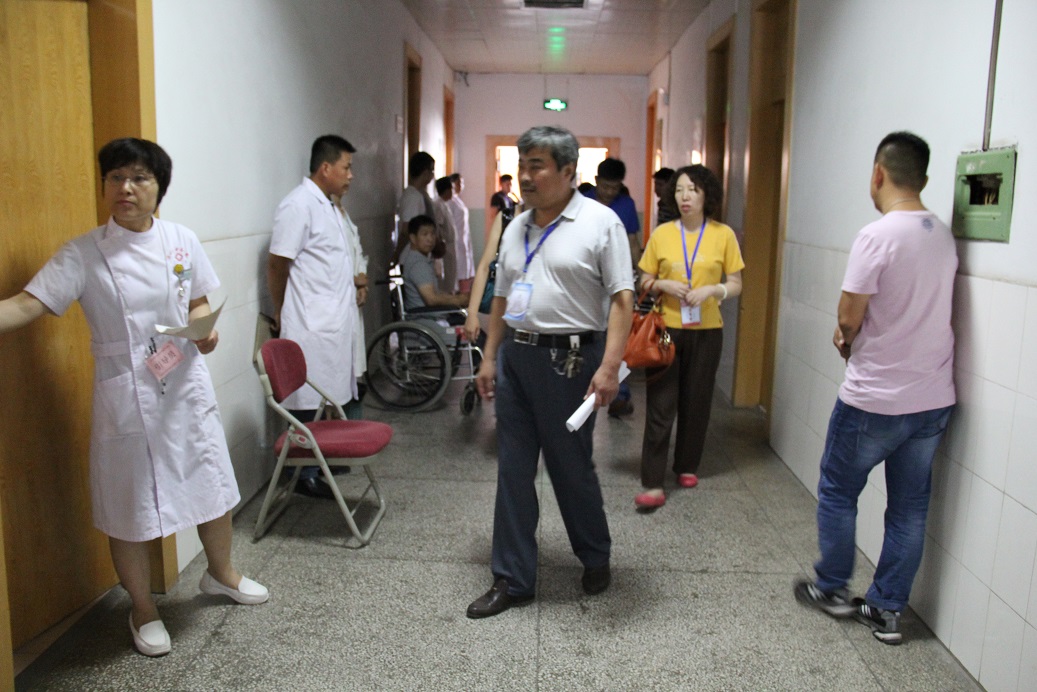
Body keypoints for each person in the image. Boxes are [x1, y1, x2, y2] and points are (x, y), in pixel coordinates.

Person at [0, 138, 268, 657]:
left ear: (158, 188)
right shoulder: (83, 253)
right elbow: (26, 305)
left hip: (183, 384)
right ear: (104, 185)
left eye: (139, 178)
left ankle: (221, 573)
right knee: (129, 502)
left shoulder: (181, 240)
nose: (126, 187)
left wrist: (204, 330)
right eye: (116, 177)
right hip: (126, 391)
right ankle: (142, 608)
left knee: (210, 480)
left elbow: (198, 302)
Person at [794, 132, 956, 646]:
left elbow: (849, 317)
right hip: (933, 399)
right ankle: (886, 610)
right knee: (909, 507)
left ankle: (832, 588)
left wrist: (845, 338)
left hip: (875, 399)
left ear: (878, 173)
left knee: (838, 491)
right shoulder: (942, 234)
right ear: (923, 179)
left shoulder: (877, 235)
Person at [466, 126, 634, 619]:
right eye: (522, 165)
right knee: (513, 469)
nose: (526, 176)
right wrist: (489, 356)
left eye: (536, 166)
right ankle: (512, 577)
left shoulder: (600, 223)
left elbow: (622, 300)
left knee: (570, 468)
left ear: (568, 171)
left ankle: (595, 554)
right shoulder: (516, 226)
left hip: (571, 361)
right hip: (518, 357)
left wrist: (610, 367)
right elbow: (502, 296)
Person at [635, 164, 744, 510]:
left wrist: (713, 290)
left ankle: (686, 465)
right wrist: (662, 284)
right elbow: (643, 280)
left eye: (692, 190)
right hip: (665, 330)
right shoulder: (663, 234)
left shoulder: (723, 235)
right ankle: (653, 481)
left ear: (706, 195)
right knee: (661, 402)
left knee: (697, 401)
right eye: (680, 189)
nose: (685, 196)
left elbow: (736, 283)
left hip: (707, 331)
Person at [267, 134, 358, 499]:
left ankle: (318, 463)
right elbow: (277, 263)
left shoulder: (328, 206)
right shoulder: (298, 205)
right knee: (306, 399)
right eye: (346, 167)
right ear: (325, 168)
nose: (350, 175)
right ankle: (303, 472)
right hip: (309, 322)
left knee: (325, 396)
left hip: (331, 320)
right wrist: (279, 309)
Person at [580, 157, 641, 417]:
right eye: (605, 186)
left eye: (615, 187)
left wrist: (638, 273)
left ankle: (620, 394)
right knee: (590, 334)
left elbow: (633, 241)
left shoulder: (626, 205)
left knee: (617, 335)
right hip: (588, 281)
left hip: (617, 279)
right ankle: (584, 386)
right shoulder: (583, 202)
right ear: (596, 182)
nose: (609, 192)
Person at [335, 192, 369, 420]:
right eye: (345, 173)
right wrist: (356, 280)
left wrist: (362, 281)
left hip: (352, 301)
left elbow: (357, 252)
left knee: (352, 373)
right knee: (334, 377)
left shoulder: (344, 214)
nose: (350, 176)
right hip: (334, 307)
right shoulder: (318, 212)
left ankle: (349, 421)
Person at [398, 214, 469, 313]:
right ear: (413, 238)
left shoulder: (420, 259)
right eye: (425, 234)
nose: (430, 239)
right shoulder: (418, 265)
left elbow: (435, 293)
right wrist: (458, 300)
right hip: (425, 317)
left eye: (432, 234)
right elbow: (431, 300)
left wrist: (455, 297)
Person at [394, 151, 438, 266]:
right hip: (413, 257)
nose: (433, 176)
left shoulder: (421, 194)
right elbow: (406, 230)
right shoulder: (412, 197)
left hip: (420, 256)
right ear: (425, 172)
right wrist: (396, 256)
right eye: (432, 171)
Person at [448, 172, 475, 293]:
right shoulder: (450, 202)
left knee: (465, 272)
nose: (461, 186)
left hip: (463, 241)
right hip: (456, 242)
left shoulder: (458, 201)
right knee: (458, 272)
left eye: (462, 183)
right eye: (459, 183)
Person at [433, 176, 459, 293]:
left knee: (451, 275)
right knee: (447, 276)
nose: (453, 191)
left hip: (450, 245)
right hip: (445, 246)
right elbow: (438, 226)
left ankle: (450, 293)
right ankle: (447, 296)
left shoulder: (444, 204)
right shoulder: (438, 205)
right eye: (452, 188)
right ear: (447, 190)